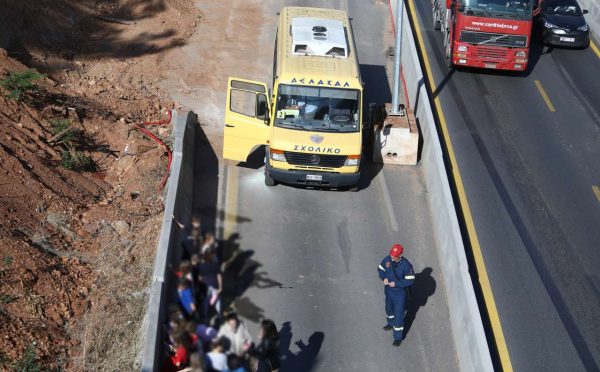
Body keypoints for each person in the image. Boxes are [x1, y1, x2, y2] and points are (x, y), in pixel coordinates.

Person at [377, 243, 415, 347]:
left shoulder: (406, 265)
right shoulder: (388, 259)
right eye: (391, 255)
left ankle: (398, 338)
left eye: (394, 256)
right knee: (389, 309)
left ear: (400, 255)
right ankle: (390, 323)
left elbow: (410, 280)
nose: (392, 257)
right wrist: (383, 277)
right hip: (389, 291)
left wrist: (397, 284)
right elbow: (380, 269)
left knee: (398, 315)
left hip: (399, 295)